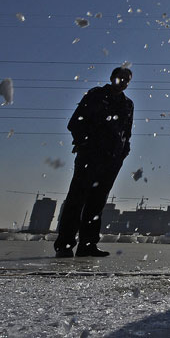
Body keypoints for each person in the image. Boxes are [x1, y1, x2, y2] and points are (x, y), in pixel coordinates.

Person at [54, 67, 134, 258]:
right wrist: (86, 144)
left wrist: (122, 153)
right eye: (120, 78)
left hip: (111, 161)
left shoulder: (127, 104)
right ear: (112, 78)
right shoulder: (96, 95)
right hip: (90, 157)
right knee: (77, 200)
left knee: (96, 203)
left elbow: (127, 132)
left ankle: (87, 245)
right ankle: (65, 245)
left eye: (126, 80)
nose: (122, 82)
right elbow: (75, 122)